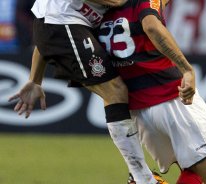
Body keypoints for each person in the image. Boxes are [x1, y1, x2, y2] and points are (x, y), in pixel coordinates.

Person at [8, 0, 161, 183]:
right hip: (64, 24)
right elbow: (51, 20)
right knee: (115, 90)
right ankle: (141, 177)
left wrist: (35, 79)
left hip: (61, 24)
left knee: (114, 91)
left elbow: (46, 22)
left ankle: (138, 176)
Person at [97, 0, 206, 183]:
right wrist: (186, 69)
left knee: (193, 172)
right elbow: (151, 26)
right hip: (172, 100)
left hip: (138, 112)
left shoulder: (95, 10)